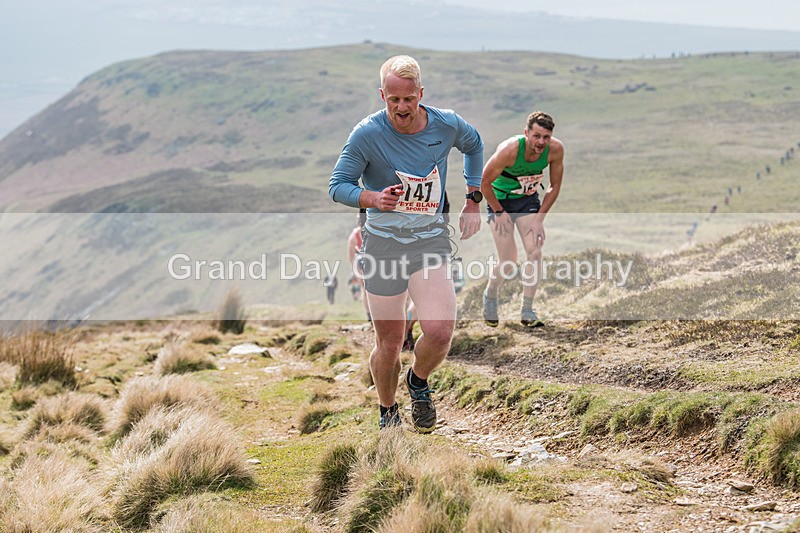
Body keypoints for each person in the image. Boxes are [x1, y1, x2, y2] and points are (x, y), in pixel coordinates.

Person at [329, 55, 484, 432]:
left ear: (421, 94)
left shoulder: (446, 124)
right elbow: (338, 185)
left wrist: (473, 197)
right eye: (393, 100)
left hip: (428, 239)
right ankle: (387, 410)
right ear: (383, 95)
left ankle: (418, 381)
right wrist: (372, 199)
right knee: (390, 341)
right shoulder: (366, 134)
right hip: (382, 245)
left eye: (409, 99)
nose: (402, 107)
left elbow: (474, 144)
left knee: (441, 331)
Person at [480, 111, 564, 328]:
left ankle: (527, 310)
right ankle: (490, 294)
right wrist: (498, 212)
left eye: (546, 137)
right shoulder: (509, 150)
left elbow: (554, 186)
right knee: (508, 260)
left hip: (527, 201)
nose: (541, 142)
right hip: (499, 201)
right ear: (526, 133)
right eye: (536, 136)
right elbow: (484, 183)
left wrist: (539, 219)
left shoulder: (555, 150)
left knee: (535, 252)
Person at [347, 210, 371, 322]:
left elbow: (351, 256)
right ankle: (371, 316)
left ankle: (370, 316)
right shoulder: (372, 231)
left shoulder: (354, 235)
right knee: (367, 290)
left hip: (361, 262)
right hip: (365, 262)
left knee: (365, 290)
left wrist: (355, 269)